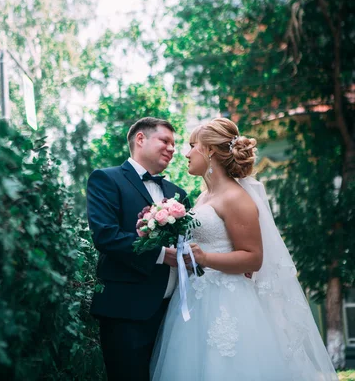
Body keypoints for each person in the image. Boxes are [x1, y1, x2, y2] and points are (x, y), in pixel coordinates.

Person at [150, 117, 338, 381]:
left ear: (210, 151)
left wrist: (204, 258)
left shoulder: (236, 198)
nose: (186, 153)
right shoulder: (204, 196)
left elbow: (253, 258)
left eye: (192, 145)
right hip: (195, 297)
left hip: (228, 301)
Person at [86, 117, 190, 381]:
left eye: (174, 144)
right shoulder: (106, 180)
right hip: (126, 312)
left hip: (175, 314)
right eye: (165, 141)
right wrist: (159, 255)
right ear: (141, 139)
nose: (172, 149)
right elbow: (106, 236)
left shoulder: (178, 194)